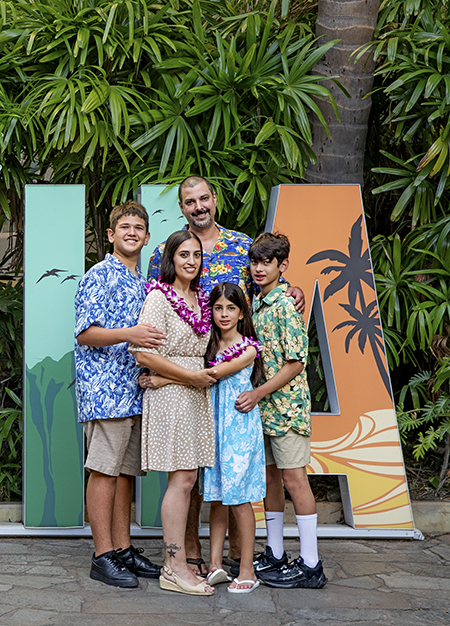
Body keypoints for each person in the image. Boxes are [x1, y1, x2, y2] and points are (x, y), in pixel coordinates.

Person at [148, 175, 305, 576]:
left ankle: (241, 558)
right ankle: (190, 553)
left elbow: (265, 281)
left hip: (233, 372)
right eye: (189, 201)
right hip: (190, 368)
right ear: (181, 207)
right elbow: (157, 308)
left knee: (229, 471)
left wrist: (293, 290)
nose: (198, 206)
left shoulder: (240, 244)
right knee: (193, 470)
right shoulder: (168, 252)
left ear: (214, 200)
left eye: (203, 199)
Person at [73, 202, 165, 588]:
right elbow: (85, 334)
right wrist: (131, 334)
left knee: (126, 472)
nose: (132, 232)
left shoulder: (144, 281)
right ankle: (102, 555)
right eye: (124, 226)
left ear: (146, 237)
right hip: (104, 389)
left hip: (133, 390)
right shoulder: (99, 275)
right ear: (111, 235)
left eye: (139, 227)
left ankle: (123, 549)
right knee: (104, 470)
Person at [238, 232, 327, 589]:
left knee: (295, 479)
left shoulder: (286, 306)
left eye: (267, 263)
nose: (259, 269)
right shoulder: (257, 304)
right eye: (255, 262)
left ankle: (311, 563)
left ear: (282, 266)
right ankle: (275, 552)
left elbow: (295, 362)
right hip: (265, 411)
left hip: (287, 408)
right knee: (271, 480)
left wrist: (258, 392)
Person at [131, 230, 217, 596]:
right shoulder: (158, 297)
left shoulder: (201, 298)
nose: (191, 261)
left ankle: (178, 563)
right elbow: (142, 353)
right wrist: (188, 378)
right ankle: (174, 566)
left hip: (192, 393)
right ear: (171, 258)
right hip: (176, 397)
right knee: (181, 481)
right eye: (184, 254)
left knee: (189, 480)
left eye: (196, 255)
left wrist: (183, 379)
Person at [201, 283, 265, 593]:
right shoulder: (207, 344)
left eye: (230, 308)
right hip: (213, 426)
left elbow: (214, 374)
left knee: (239, 499)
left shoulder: (249, 348)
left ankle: (247, 569)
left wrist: (161, 376)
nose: (224, 314)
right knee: (217, 497)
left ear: (241, 313)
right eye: (218, 308)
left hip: (238, 429)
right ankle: (215, 565)